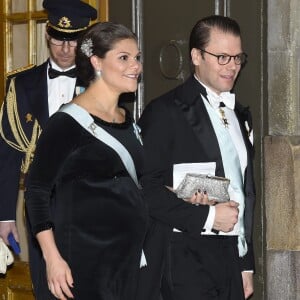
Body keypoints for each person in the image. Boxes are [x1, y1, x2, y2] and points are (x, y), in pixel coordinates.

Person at [25, 21, 147, 300]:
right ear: (96, 62)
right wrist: (52, 258)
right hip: (80, 263)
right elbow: (36, 191)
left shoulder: (126, 120)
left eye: (137, 58)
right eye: (124, 58)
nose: (136, 66)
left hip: (123, 262)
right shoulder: (67, 122)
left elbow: (133, 183)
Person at [137, 15, 256, 300]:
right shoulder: (164, 111)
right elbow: (143, 188)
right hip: (182, 255)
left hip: (230, 258)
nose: (232, 67)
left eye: (238, 58)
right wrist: (208, 216)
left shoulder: (240, 114)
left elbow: (244, 190)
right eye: (222, 57)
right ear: (196, 56)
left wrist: (245, 264)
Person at [0, 0, 96, 271]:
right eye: (58, 40)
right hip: (40, 201)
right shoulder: (20, 84)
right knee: (44, 281)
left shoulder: (101, 83)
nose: (65, 49)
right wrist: (4, 215)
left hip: (91, 199)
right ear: (47, 35)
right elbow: (8, 152)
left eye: (73, 41)